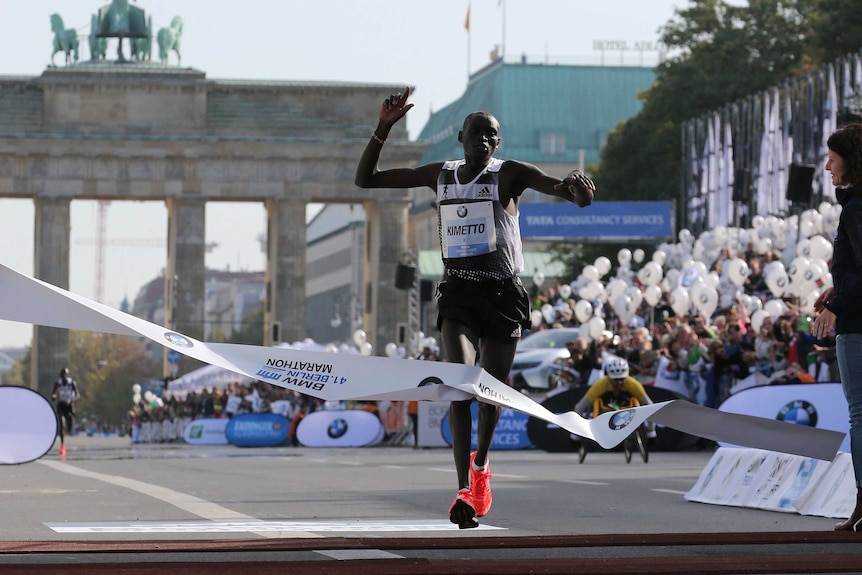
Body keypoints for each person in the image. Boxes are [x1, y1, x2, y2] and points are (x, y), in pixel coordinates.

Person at [355, 86, 595, 528]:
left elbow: (566, 192)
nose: (484, 141)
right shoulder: (440, 174)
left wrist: (579, 189)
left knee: (490, 392)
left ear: (497, 143)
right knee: (460, 384)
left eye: (492, 135)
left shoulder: (511, 174)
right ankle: (464, 487)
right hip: (459, 293)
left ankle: (481, 463)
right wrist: (384, 128)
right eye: (477, 134)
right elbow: (366, 180)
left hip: (503, 294)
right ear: (461, 138)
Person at [811, 122, 862, 532]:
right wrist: (834, 291)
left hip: (859, 324)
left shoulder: (856, 206)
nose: (827, 166)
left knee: (860, 414)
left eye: (832, 157)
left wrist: (838, 304)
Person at [574, 357, 655, 438]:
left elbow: (650, 405)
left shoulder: (634, 384)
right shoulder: (600, 385)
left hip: (625, 401)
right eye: (615, 380)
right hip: (606, 403)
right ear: (608, 376)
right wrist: (576, 432)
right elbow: (579, 407)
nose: (619, 383)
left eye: (622, 379)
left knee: (646, 404)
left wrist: (651, 429)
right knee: (585, 405)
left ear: (627, 376)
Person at [51, 367, 79, 456]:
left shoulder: (72, 383)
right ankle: (62, 445)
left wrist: (71, 400)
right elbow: (53, 393)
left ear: (67, 375)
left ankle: (68, 428)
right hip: (61, 405)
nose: (64, 377)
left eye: (65, 375)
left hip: (69, 405)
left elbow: (77, 395)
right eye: (62, 375)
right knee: (61, 423)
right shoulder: (58, 384)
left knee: (69, 425)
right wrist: (54, 396)